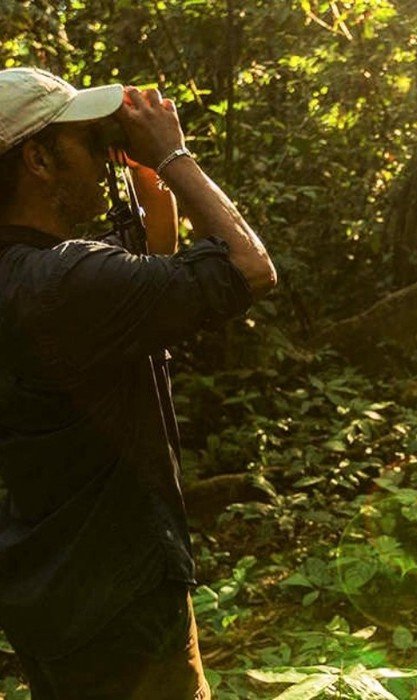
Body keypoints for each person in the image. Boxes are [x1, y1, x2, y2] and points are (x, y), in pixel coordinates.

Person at [0, 67, 276, 698]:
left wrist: (151, 184)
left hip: (48, 594)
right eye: (88, 142)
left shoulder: (32, 279)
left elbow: (143, 286)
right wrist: (173, 156)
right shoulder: (65, 283)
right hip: (123, 602)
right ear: (38, 159)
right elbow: (249, 269)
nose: (104, 159)